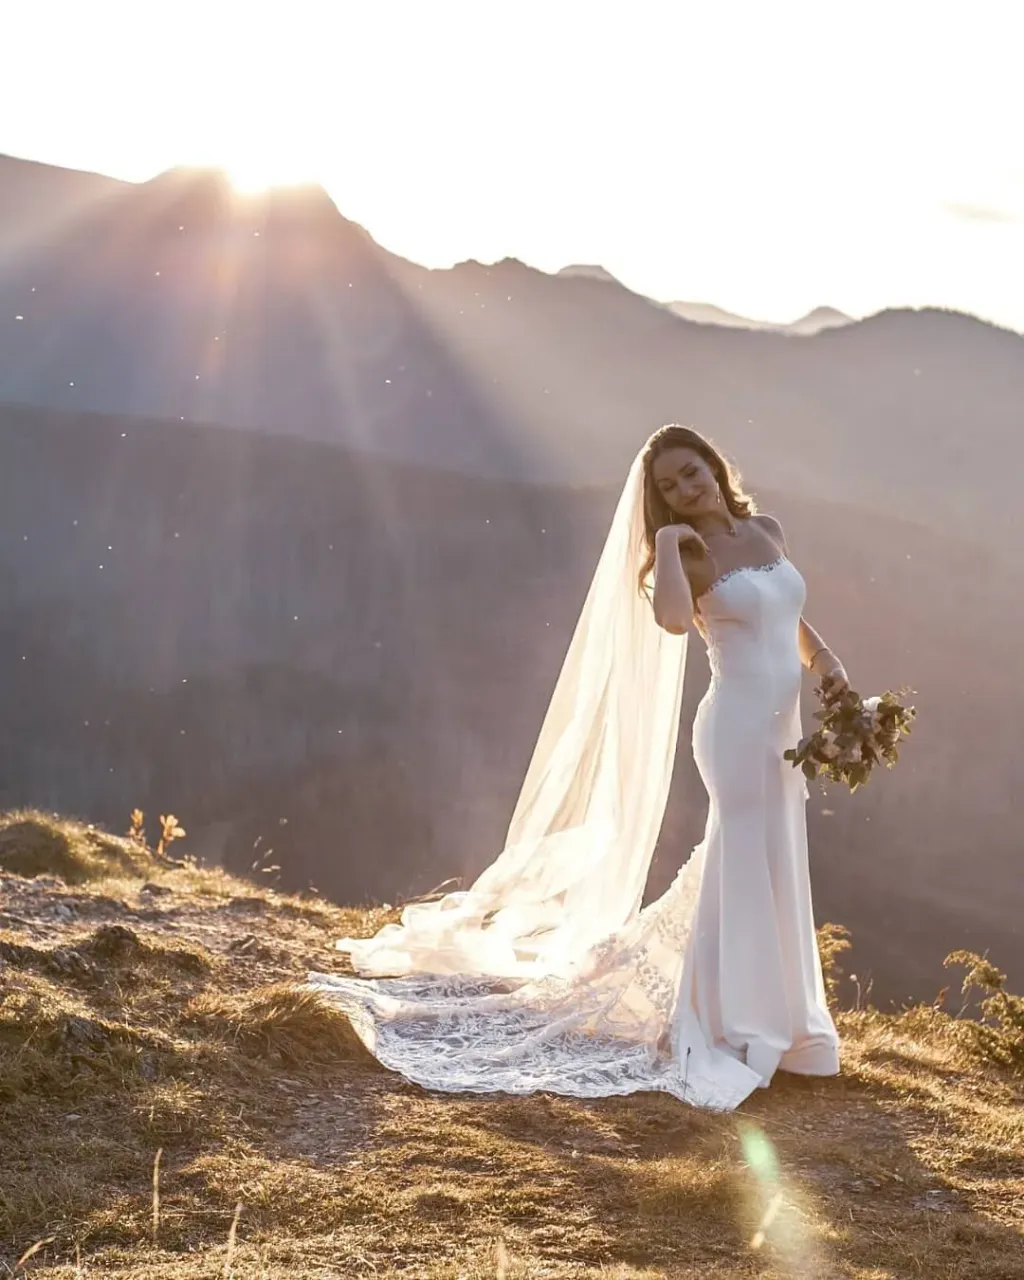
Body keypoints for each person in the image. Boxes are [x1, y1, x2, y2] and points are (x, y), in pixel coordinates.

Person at [310, 425, 844, 1110]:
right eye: (670, 486)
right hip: (736, 731)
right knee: (742, 858)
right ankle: (741, 1024)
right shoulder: (687, 556)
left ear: (715, 466)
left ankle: (791, 1024)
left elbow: (786, 615)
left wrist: (828, 665)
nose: (687, 488)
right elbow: (673, 621)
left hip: (784, 734)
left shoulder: (766, 531)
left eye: (692, 472)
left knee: (779, 855)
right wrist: (668, 546)